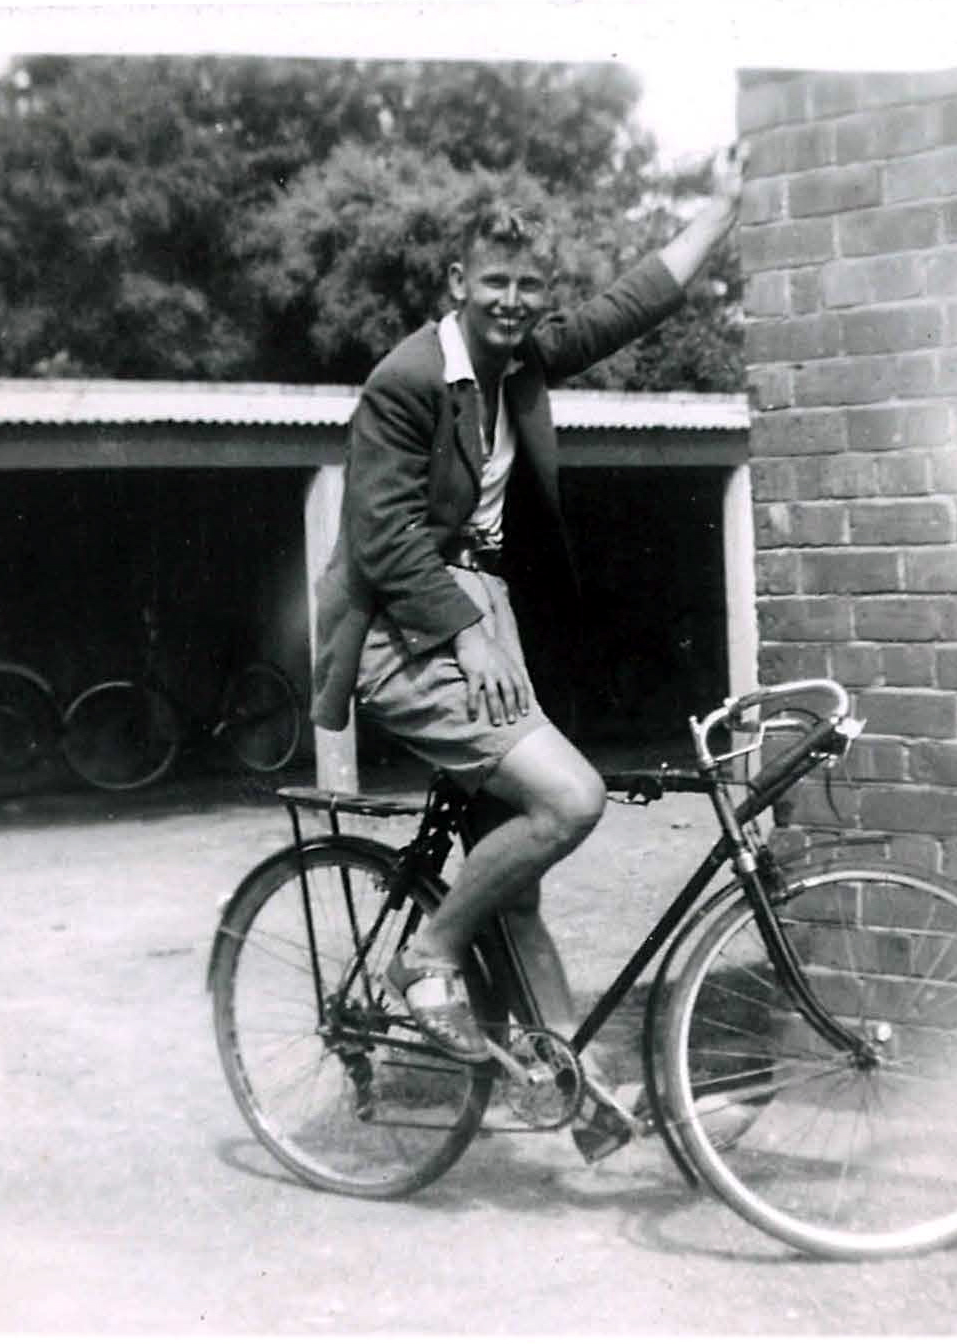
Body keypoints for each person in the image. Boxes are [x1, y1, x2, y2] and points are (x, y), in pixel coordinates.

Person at [308, 150, 743, 1158]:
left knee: (523, 877)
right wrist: (466, 625)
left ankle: (577, 1091)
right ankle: (425, 956)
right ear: (457, 283)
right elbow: (380, 536)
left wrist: (721, 212)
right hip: (401, 631)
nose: (513, 301)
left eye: (529, 285)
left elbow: (634, 302)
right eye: (493, 282)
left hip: (480, 620)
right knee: (571, 800)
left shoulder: (522, 363)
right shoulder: (409, 379)